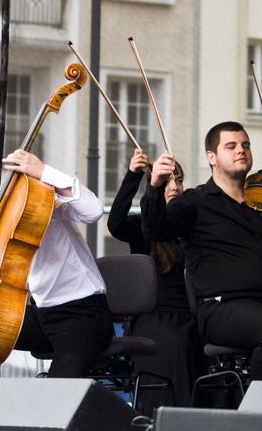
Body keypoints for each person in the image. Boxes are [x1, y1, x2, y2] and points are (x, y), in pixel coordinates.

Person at [0, 150, 113, 405]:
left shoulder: (37, 200)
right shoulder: (0, 221)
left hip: (83, 316)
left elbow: (93, 211)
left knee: (55, 402)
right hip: (43, 316)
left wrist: (44, 172)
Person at [141, 122, 262, 381]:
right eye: (231, 146)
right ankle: (257, 416)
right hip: (223, 308)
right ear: (211, 157)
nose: (241, 151)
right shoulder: (193, 202)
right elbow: (156, 230)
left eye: (245, 145)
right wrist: (155, 186)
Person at [107, 148, 205, 410]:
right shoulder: (146, 226)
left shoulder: (193, 222)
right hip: (157, 317)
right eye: (168, 180)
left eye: (179, 180)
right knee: (175, 345)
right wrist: (132, 176)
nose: (174, 187)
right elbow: (115, 223)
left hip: (193, 315)